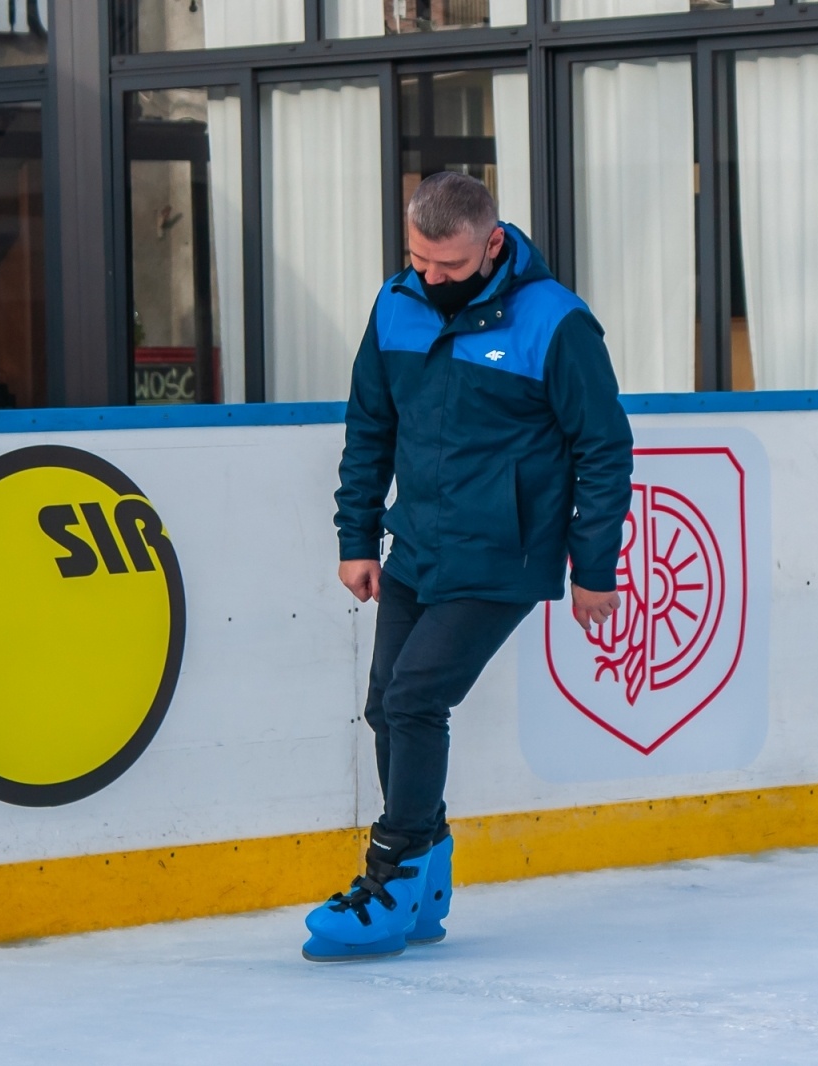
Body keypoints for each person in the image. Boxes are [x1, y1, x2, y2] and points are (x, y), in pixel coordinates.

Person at [302, 173, 633, 962]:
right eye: (418, 260)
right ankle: (427, 884)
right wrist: (358, 537)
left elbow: (603, 449)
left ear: (492, 244)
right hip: (415, 546)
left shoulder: (554, 322)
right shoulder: (396, 306)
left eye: (448, 265)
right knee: (388, 707)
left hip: (503, 554)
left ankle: (391, 876)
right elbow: (369, 427)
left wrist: (595, 567)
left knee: (416, 698)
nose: (431, 278)